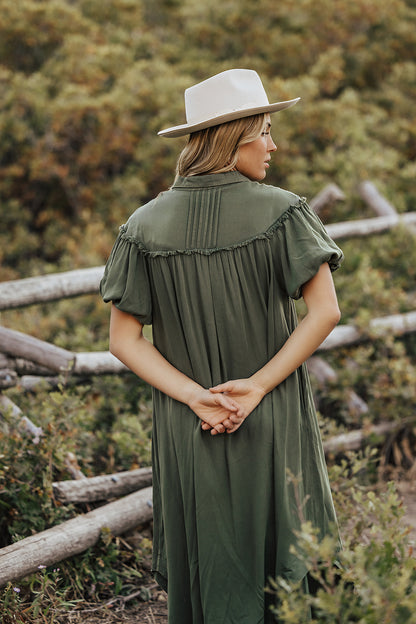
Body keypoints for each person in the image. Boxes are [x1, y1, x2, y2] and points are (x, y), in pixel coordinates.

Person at [100, 68, 343, 624]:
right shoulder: (283, 211)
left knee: (210, 564)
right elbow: (325, 312)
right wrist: (256, 386)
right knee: (291, 559)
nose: (273, 145)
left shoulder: (141, 225)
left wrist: (195, 397)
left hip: (189, 426)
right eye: (264, 131)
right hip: (272, 410)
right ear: (234, 138)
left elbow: (123, 340)